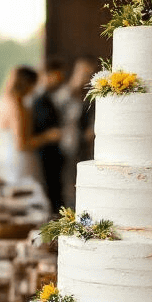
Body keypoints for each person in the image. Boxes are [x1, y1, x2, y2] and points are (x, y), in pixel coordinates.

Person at [0, 66, 60, 196]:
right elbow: (22, 144)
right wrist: (48, 136)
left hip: (4, 158)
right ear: (27, 84)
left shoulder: (2, 101)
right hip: (20, 162)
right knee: (28, 199)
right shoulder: (17, 106)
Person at [55, 57, 97, 207]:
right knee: (66, 187)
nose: (86, 78)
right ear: (76, 71)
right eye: (84, 73)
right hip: (63, 149)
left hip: (83, 149)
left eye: (90, 74)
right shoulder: (62, 95)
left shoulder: (90, 97)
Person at [32, 59, 67, 212]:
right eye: (57, 75)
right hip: (44, 154)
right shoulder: (38, 99)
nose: (60, 79)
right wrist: (50, 135)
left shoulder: (51, 96)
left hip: (54, 154)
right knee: (50, 197)